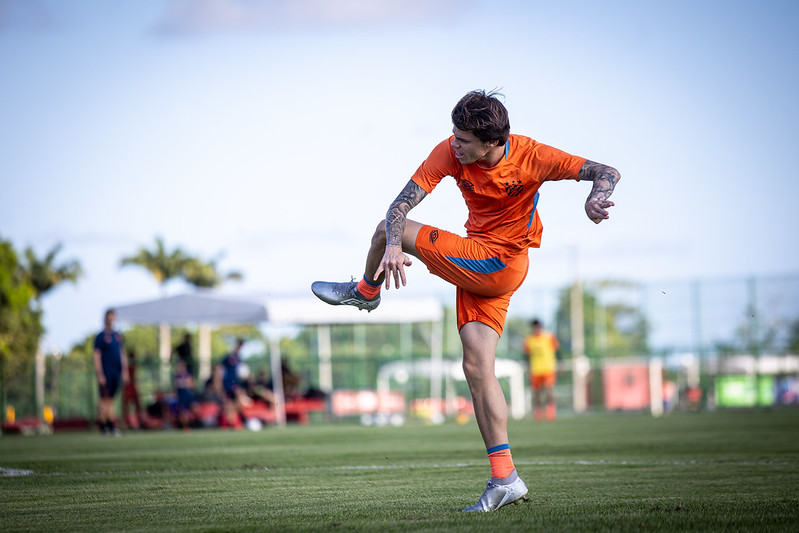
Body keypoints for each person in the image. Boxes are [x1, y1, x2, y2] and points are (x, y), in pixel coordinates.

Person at [312, 90, 620, 512]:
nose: (454, 144)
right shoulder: (450, 151)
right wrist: (394, 248)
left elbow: (605, 171)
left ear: (493, 142)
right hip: (477, 263)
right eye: (454, 135)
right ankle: (505, 478)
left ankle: (366, 292)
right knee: (477, 368)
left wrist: (595, 197)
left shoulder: (533, 155)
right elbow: (400, 203)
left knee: (387, 233)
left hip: (500, 263)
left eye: (464, 140)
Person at [93, 308, 128, 436]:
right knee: (104, 399)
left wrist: (125, 371)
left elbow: (122, 353)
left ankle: (110, 424)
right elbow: (96, 355)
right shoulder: (100, 337)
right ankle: (104, 425)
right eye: (108, 317)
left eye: (112, 317)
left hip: (116, 372)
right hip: (106, 371)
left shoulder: (117, 336)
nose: (110, 319)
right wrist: (100, 373)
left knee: (111, 399)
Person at [523, 319, 560, 422]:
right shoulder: (529, 339)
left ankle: (550, 410)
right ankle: (538, 412)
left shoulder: (549, 337)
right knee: (537, 393)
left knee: (549, 390)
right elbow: (527, 356)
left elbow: (557, 351)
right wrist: (527, 369)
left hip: (548, 368)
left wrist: (560, 364)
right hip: (535, 369)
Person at [121, 350, 143, 429]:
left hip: (131, 388)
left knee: (136, 406)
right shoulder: (127, 368)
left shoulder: (133, 367)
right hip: (129, 388)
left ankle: (138, 423)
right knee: (127, 406)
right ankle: (127, 423)